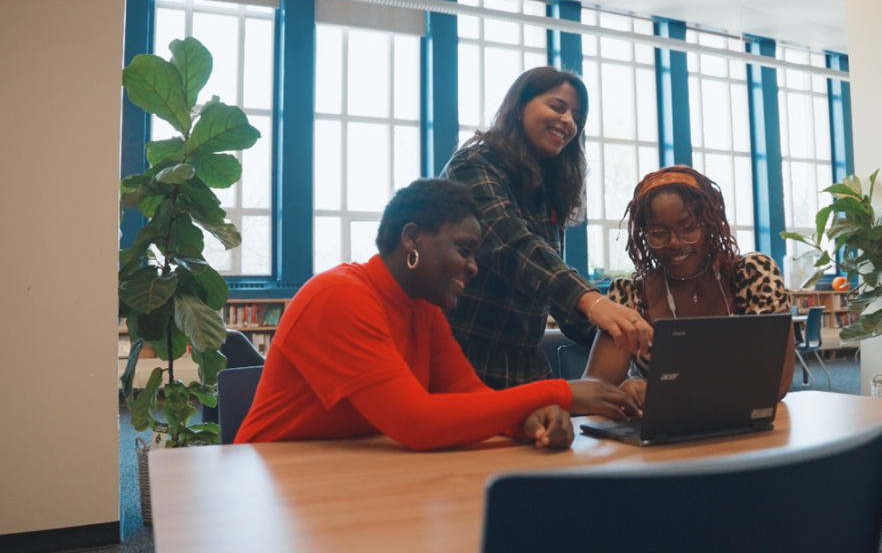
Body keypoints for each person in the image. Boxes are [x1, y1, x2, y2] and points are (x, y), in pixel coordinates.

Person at [234, 179, 639, 451]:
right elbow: (417, 423)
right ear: (412, 237)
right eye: (463, 250)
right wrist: (560, 393)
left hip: (345, 470)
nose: (474, 267)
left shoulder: (423, 311)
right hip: (268, 480)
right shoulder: (339, 296)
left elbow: (470, 396)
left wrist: (531, 423)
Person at [443, 66, 653, 390]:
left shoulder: (546, 189)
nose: (569, 120)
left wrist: (620, 334)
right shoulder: (473, 164)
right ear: (518, 108)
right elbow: (513, 245)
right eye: (557, 107)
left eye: (576, 116)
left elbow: (552, 290)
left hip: (526, 370)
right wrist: (593, 301)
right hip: (462, 364)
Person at [582, 166, 796, 406]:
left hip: (745, 430)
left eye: (689, 227)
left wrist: (664, 393)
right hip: (661, 436)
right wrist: (625, 392)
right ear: (643, 235)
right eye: (658, 232)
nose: (674, 243)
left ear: (710, 224)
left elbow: (777, 383)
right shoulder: (630, 295)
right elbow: (596, 385)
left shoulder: (754, 274)